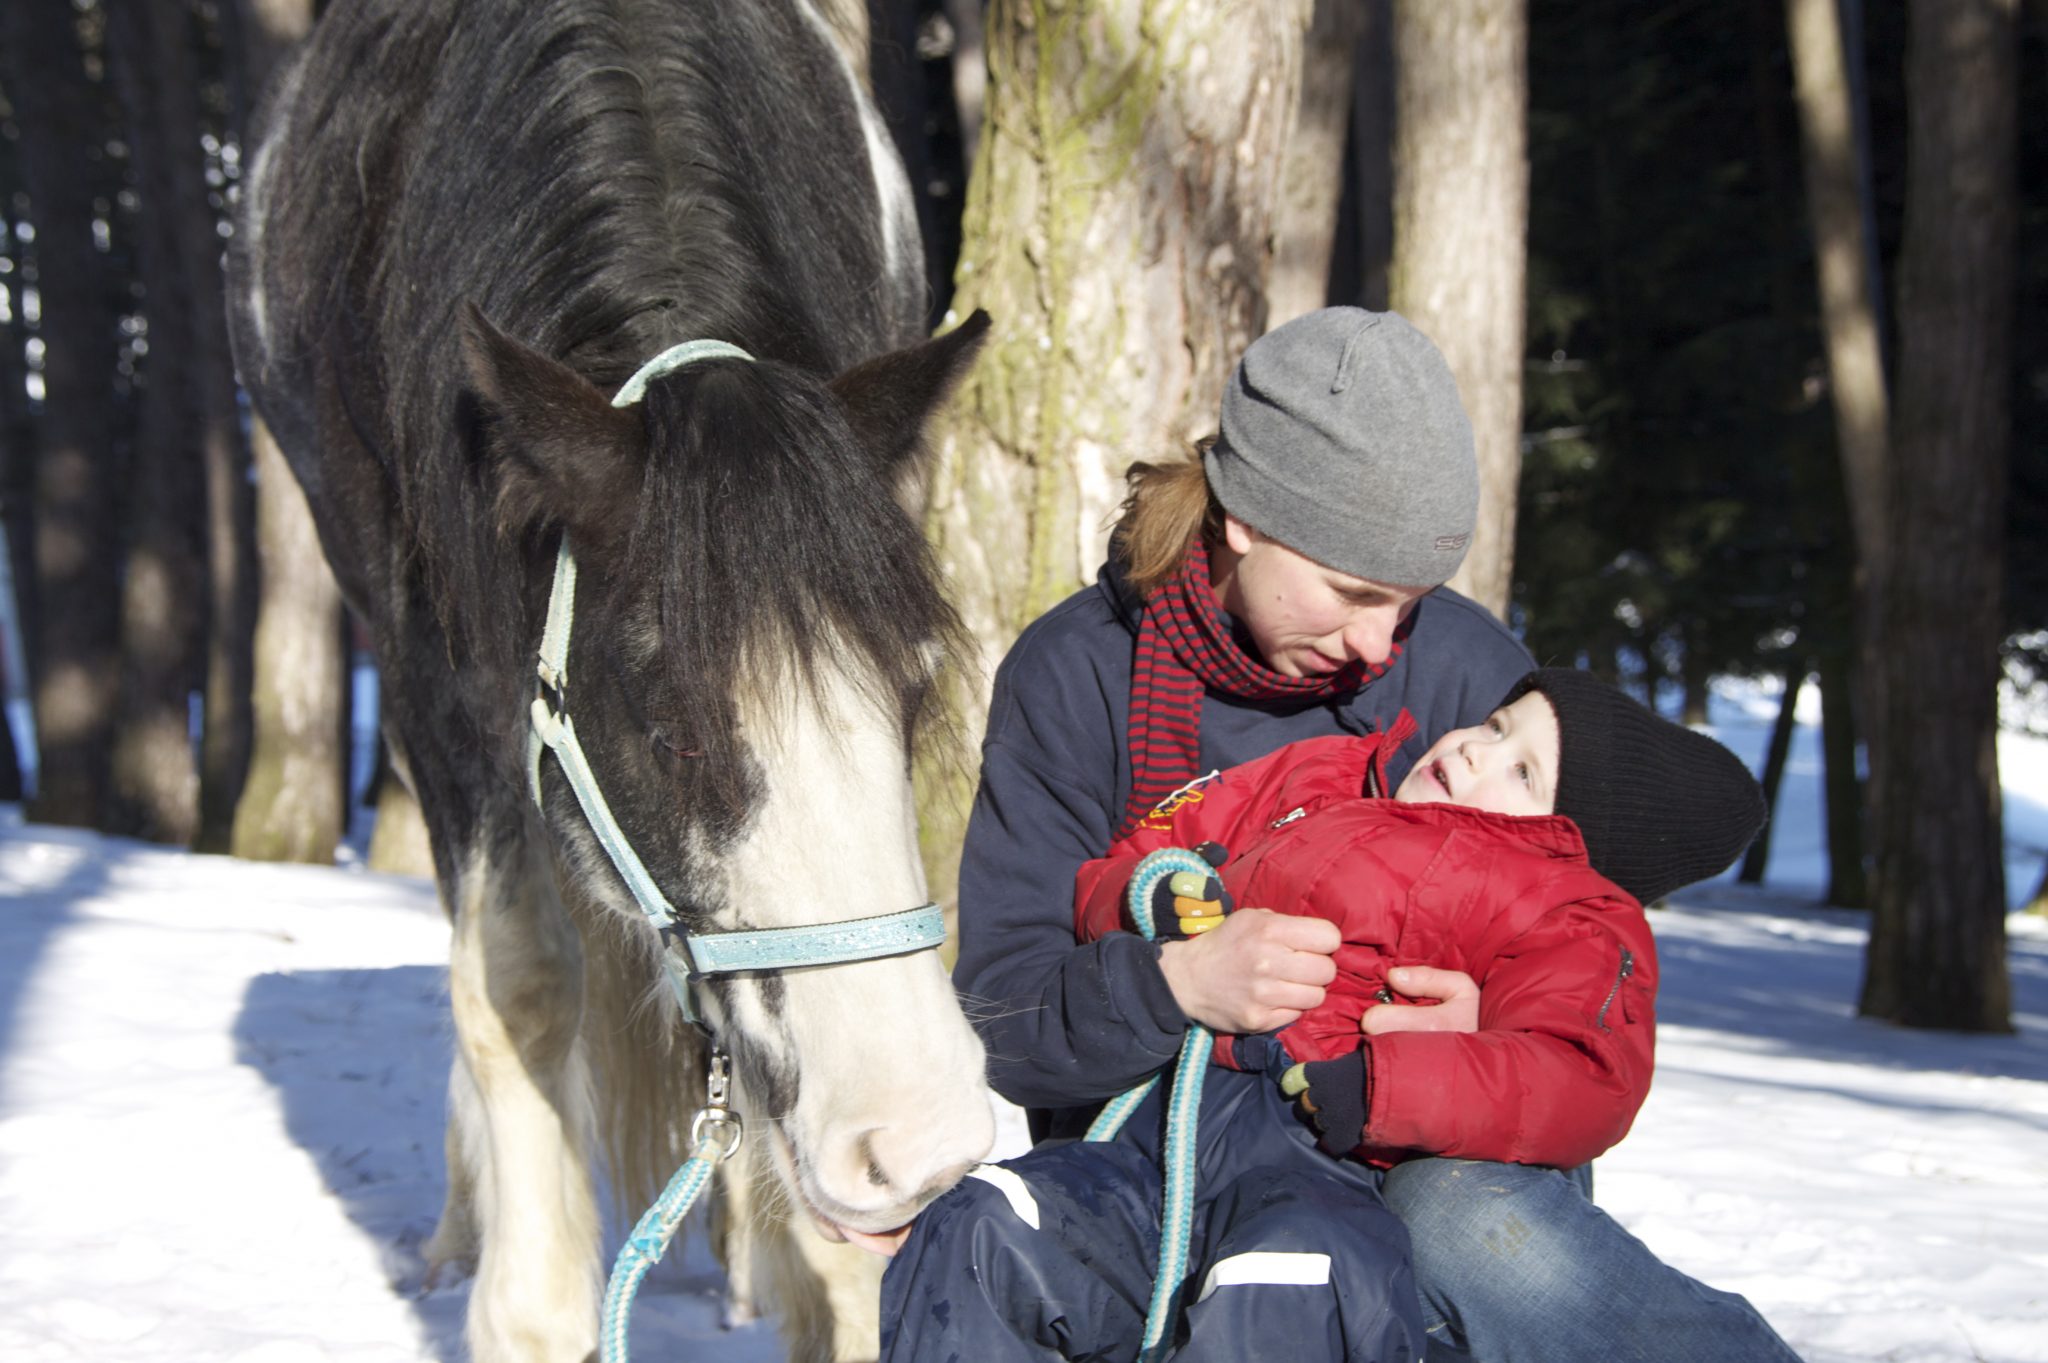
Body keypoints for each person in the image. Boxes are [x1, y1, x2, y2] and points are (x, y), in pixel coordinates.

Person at [939, 307, 1804, 1361]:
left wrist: (1485, 1025)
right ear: (1245, 520)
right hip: (1153, 1160)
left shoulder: (1463, 670)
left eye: (1408, 603)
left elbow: (1577, 938)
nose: (1378, 644)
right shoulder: (1078, 674)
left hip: (1404, 1168)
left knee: (1463, 1230)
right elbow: (1006, 1013)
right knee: (988, 1239)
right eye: (1352, 593)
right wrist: (1176, 983)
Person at [881, 669, 1788, 1362]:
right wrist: (1150, 893)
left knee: (1284, 1283)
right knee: (983, 1220)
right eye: (1496, 723)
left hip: (1325, 1170)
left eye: (1521, 769)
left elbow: (1581, 1072)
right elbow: (1155, 841)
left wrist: (1390, 1082)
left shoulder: (1567, 910)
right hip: (1153, 1150)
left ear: (1569, 839)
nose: (1476, 750)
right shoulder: (1323, 776)